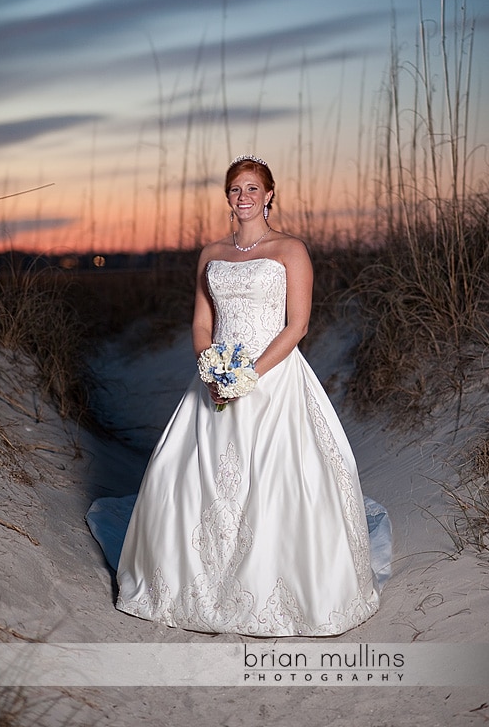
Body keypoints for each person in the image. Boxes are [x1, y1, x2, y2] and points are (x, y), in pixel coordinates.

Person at [87, 155, 391, 636]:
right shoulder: (210, 254)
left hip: (273, 377)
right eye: (235, 189)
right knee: (185, 480)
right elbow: (201, 321)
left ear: (269, 194)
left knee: (278, 483)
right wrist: (210, 368)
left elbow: (298, 325)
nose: (243, 196)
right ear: (228, 197)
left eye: (253, 188)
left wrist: (249, 376)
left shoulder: (291, 249)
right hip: (216, 378)